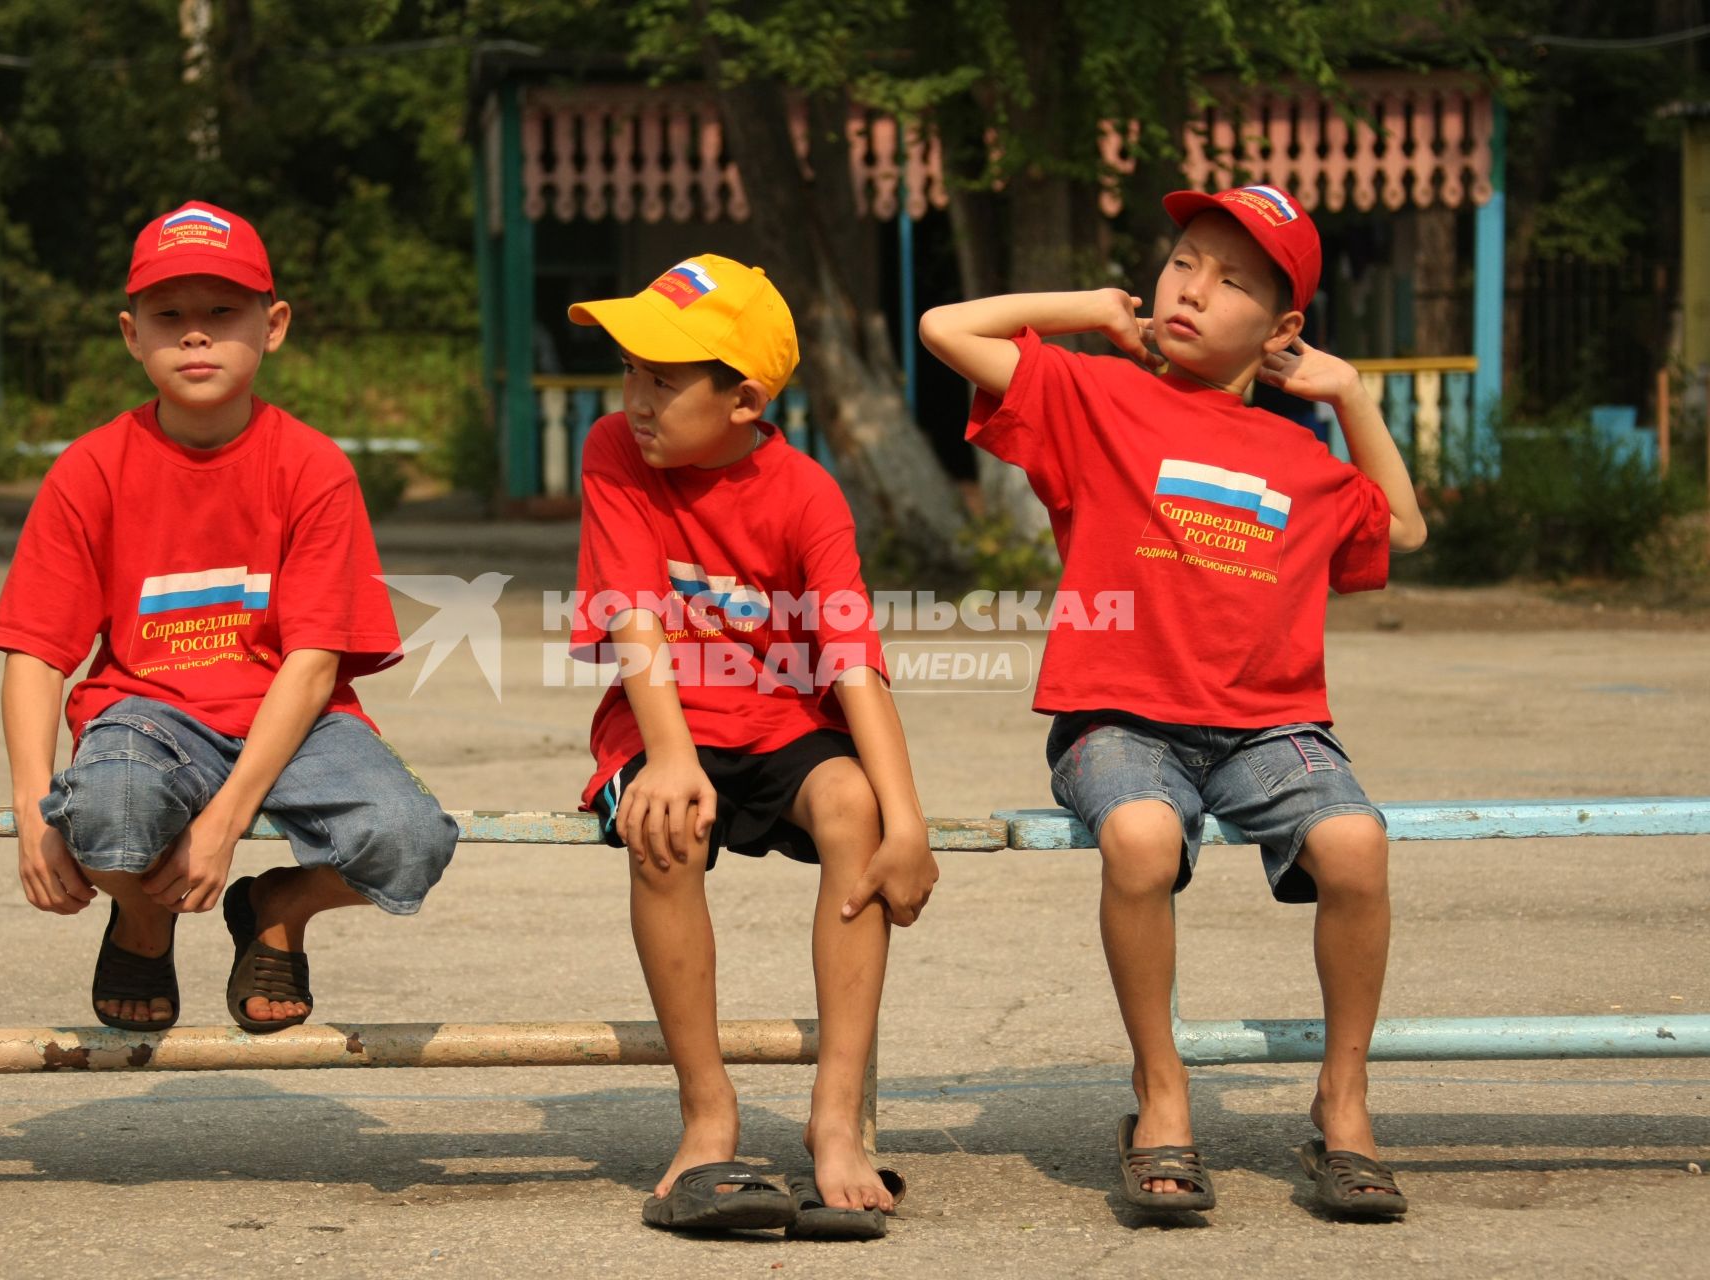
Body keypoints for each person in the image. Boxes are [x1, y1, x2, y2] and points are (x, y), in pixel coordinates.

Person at [920, 185, 1425, 1218]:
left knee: (1358, 845)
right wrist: (1091, 308)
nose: (1193, 288)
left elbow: (1403, 529)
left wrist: (1353, 394)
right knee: (1144, 838)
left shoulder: (1302, 458)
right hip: (1119, 719)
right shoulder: (1094, 396)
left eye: (1233, 281)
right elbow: (944, 328)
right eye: (1185, 260)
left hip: (1268, 728)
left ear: (1282, 328)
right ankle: (1160, 1089)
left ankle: (1345, 1097)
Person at [0, 201, 459, 1037]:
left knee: (409, 839)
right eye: (170, 317)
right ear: (132, 335)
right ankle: (142, 921)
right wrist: (32, 817)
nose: (195, 337)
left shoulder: (312, 467)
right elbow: (35, 650)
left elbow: (314, 662)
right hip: (149, 713)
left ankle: (276, 905)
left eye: (221, 314)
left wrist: (223, 825)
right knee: (101, 810)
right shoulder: (89, 469)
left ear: (272, 326)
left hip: (293, 716)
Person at [567, 255, 938, 1239]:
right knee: (667, 819)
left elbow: (854, 660)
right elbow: (635, 619)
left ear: (744, 399)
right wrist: (673, 757)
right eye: (631, 369)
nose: (635, 397)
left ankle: (834, 1123)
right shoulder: (613, 449)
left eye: (664, 378)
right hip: (659, 718)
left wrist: (907, 821)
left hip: (776, 717)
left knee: (855, 807)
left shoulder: (808, 494)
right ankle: (707, 1116)